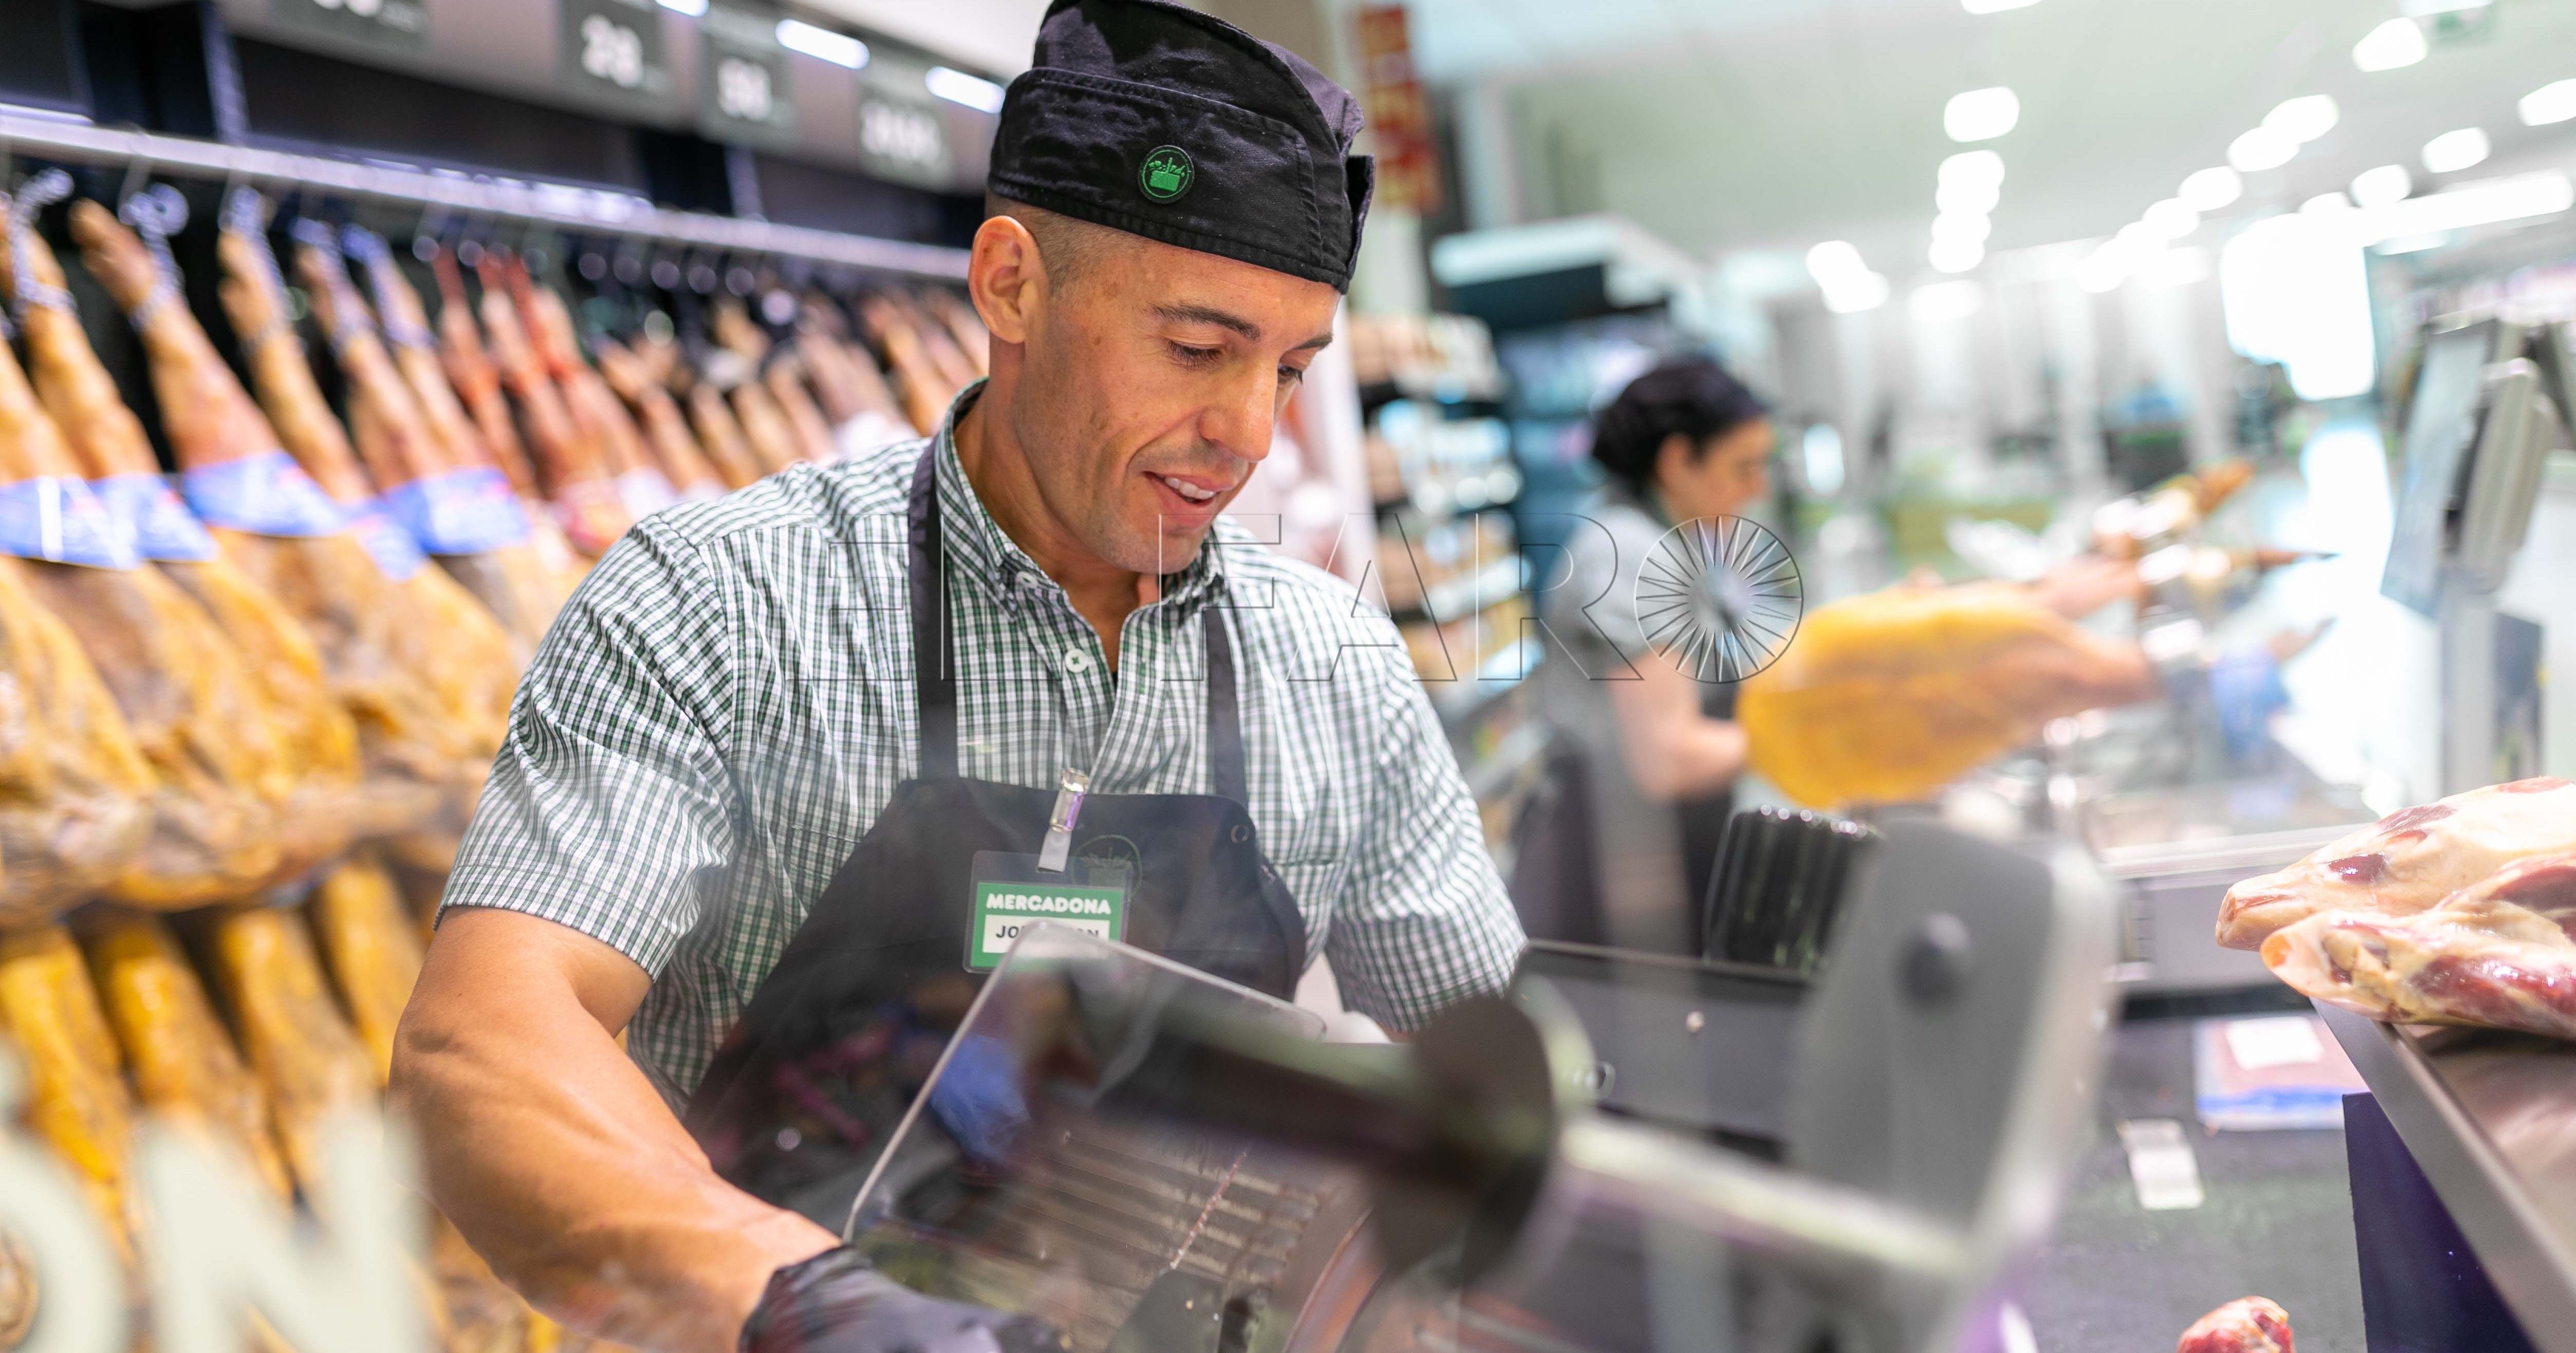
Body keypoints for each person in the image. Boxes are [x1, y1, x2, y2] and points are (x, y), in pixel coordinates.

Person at [389, 3, 1526, 1348]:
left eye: (1287, 368)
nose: (1243, 436)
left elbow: (1493, 1098)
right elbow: (485, 1046)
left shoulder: (1331, 664)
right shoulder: (720, 601)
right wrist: (811, 1307)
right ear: (1010, 285)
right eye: (1195, 348)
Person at [1527, 360, 1776, 954]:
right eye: (1743, 466)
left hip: (1657, 850)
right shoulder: (1629, 554)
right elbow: (1666, 757)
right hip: (1618, 869)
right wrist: (1812, 736)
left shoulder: (1681, 543)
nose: (1758, 487)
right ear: (1677, 460)